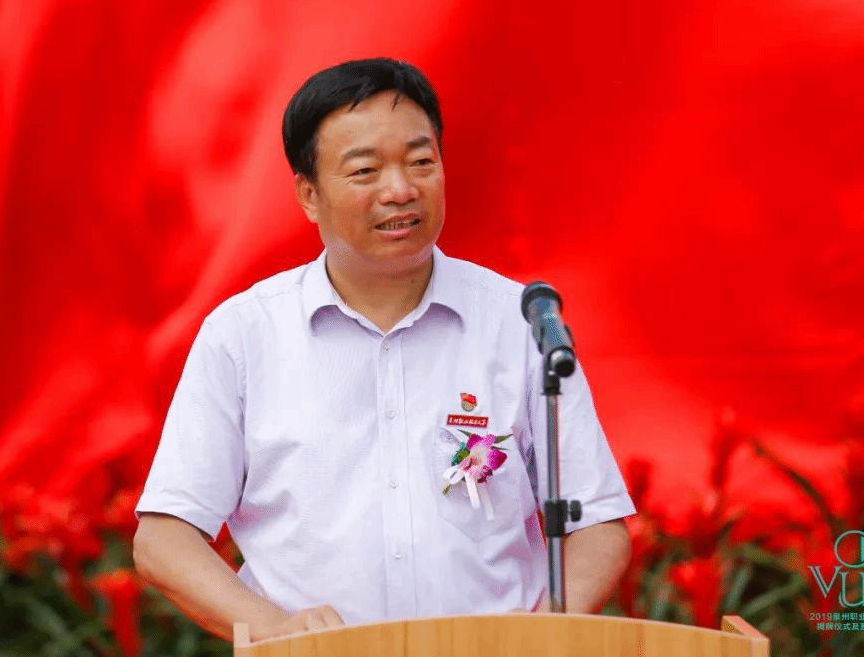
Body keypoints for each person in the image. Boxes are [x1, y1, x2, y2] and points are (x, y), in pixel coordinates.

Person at [132, 58, 635, 642]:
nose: (401, 190)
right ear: (309, 194)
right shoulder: (244, 335)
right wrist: (276, 631)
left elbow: (598, 523)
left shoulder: (515, 322)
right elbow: (163, 538)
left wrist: (537, 638)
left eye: (422, 162)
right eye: (365, 171)